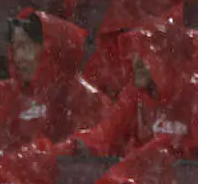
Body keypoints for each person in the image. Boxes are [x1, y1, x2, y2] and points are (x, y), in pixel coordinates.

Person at [0, 11, 110, 160]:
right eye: (16, 48)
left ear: (53, 50)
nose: (19, 57)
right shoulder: (0, 95)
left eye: (27, 47)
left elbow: (86, 156)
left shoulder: (88, 101)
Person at [77, 23, 198, 159]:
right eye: (135, 55)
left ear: (165, 61)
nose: (137, 63)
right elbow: (104, 136)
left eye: (146, 56)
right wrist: (75, 144)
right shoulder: (134, 95)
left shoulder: (193, 97)